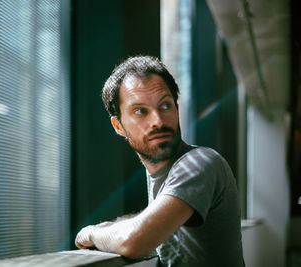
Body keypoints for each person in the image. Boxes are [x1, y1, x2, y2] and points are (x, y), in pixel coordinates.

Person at [75, 56, 244, 266]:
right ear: (118, 126)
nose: (158, 120)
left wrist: (93, 233)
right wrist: (111, 228)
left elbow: (134, 241)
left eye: (165, 106)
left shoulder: (199, 163)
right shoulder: (163, 173)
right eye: (140, 111)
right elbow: (151, 221)